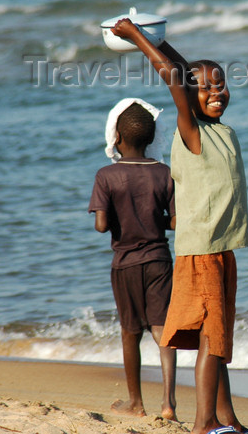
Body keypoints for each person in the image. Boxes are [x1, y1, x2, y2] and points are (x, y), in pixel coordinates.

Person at [110, 19, 248, 434]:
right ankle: (204, 424)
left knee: (219, 339)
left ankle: (227, 418)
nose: (217, 92)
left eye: (221, 84)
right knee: (211, 340)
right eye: (206, 88)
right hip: (201, 250)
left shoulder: (222, 130)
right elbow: (177, 79)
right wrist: (137, 37)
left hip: (222, 248)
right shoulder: (190, 131)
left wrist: (163, 39)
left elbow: (186, 72)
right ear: (189, 97)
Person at [88, 98, 177, 420]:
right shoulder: (165, 172)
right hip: (159, 259)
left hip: (125, 263)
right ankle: (168, 403)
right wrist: (153, 220)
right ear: (152, 139)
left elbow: (100, 226)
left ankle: (136, 402)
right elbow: (176, 222)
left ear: (117, 137)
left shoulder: (106, 175)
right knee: (162, 329)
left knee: (130, 331)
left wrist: (121, 220)